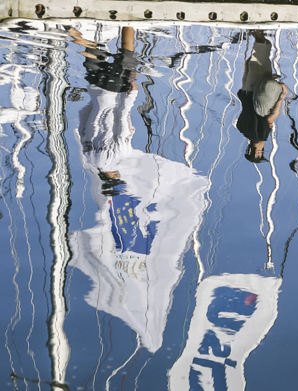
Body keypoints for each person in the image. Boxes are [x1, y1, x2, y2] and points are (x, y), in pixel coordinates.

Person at [69, 25, 211, 352]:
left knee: (125, 56)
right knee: (92, 54)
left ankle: (106, 22)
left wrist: (130, 94)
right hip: (98, 93)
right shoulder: (92, 160)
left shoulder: (112, 155)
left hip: (114, 94)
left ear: (117, 178)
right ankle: (76, 29)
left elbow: (119, 122)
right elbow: (86, 122)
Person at [236, 30, 288, 163]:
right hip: (246, 88)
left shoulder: (261, 136)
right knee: (257, 53)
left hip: (258, 88)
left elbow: (270, 119)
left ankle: (255, 25)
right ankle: (255, 29)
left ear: (257, 151)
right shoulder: (242, 128)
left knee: (263, 45)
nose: (263, 149)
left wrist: (282, 97)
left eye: (261, 152)